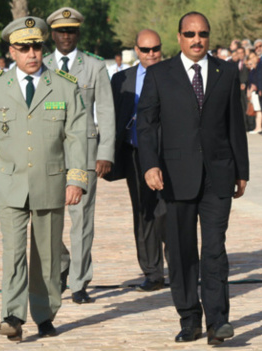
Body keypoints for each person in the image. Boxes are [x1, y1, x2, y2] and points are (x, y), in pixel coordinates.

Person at [137, 12, 249, 345]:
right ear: (179, 36)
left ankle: (218, 322)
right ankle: (189, 318)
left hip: (218, 176)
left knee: (214, 250)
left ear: (208, 36)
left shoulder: (226, 71)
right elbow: (146, 125)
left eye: (202, 33)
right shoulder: (159, 74)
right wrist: (149, 165)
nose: (196, 39)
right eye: (190, 33)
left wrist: (242, 170)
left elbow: (235, 124)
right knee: (183, 252)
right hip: (174, 177)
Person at [0, 16, 88, 341]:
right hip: (9, 183)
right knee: (14, 252)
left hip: (49, 182)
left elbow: (77, 135)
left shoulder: (64, 85)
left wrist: (76, 179)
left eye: (36, 46)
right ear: (12, 51)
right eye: (24, 48)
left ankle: (44, 312)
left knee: (47, 255)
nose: (32, 53)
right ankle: (11, 314)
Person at [43, 6, 115, 304]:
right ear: (53, 34)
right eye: (61, 31)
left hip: (84, 153)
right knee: (44, 218)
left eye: (71, 31)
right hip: (49, 153)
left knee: (82, 219)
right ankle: (63, 265)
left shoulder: (94, 66)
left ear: (77, 33)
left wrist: (105, 152)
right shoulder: (42, 64)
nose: (66, 36)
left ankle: (79, 282)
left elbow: (106, 111)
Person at [106, 29, 165, 292]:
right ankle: (152, 271)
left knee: (170, 212)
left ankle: (180, 266)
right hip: (134, 154)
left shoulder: (174, 75)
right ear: (136, 50)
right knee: (144, 212)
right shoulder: (121, 80)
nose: (151, 55)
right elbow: (111, 119)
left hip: (168, 155)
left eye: (156, 49)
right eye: (146, 50)